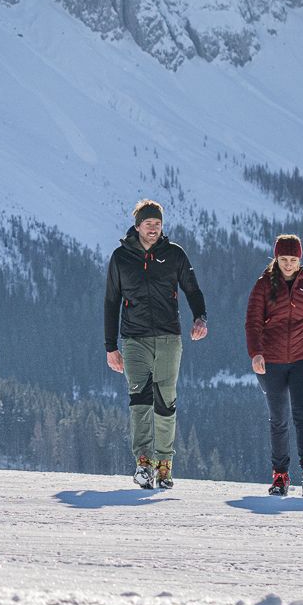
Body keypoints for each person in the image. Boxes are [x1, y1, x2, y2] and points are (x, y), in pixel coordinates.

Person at [104, 199, 208, 489]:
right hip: (133, 339)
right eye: (148, 223)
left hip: (168, 337)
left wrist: (200, 317)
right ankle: (143, 462)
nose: (153, 228)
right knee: (139, 398)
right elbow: (111, 301)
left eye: (158, 224)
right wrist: (110, 346)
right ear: (137, 226)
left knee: (165, 400)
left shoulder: (174, 254)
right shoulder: (121, 258)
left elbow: (192, 289)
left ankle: (164, 465)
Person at [245, 234, 303, 497]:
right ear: (276, 259)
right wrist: (256, 354)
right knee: (279, 418)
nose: (289, 264)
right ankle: (280, 475)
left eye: (293, 259)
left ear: (300, 259)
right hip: (272, 361)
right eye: (284, 259)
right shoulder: (263, 285)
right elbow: (252, 323)